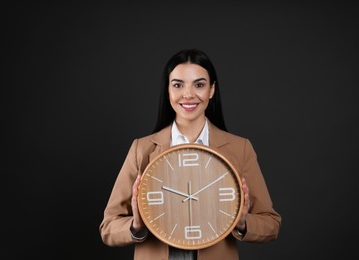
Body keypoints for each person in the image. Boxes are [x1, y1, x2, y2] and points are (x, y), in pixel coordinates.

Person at [99, 49, 282, 259]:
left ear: (212, 90)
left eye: (199, 84)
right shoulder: (141, 149)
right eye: (178, 85)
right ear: (168, 91)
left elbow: (271, 224)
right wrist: (137, 225)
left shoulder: (239, 148)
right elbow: (108, 228)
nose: (188, 94)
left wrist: (241, 223)